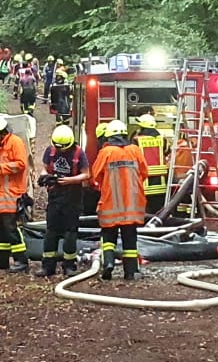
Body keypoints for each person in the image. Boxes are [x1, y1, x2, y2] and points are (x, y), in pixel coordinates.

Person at [86, 117, 147, 280]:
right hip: (132, 205)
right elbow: (144, 172)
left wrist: (102, 185)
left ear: (109, 136)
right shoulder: (135, 150)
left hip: (110, 203)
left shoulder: (106, 152)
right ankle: (131, 271)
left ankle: (109, 263)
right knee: (130, 237)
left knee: (108, 235)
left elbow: (94, 176)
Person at [37, 124, 88, 278]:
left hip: (72, 197)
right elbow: (45, 168)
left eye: (64, 148)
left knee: (70, 233)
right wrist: (45, 176)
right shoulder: (50, 151)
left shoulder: (79, 153)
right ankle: (48, 266)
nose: (61, 151)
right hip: (55, 197)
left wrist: (70, 180)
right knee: (51, 231)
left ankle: (69, 266)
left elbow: (86, 174)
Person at [0, 116, 31, 272]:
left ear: (2, 132)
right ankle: (2, 259)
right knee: (0, 228)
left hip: (12, 193)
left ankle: (21, 260)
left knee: (11, 228)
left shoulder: (15, 142)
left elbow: (21, 164)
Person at [133, 114, 169, 216]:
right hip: (161, 183)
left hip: (143, 183)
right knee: (159, 211)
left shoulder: (137, 140)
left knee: (146, 214)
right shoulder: (163, 139)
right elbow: (167, 153)